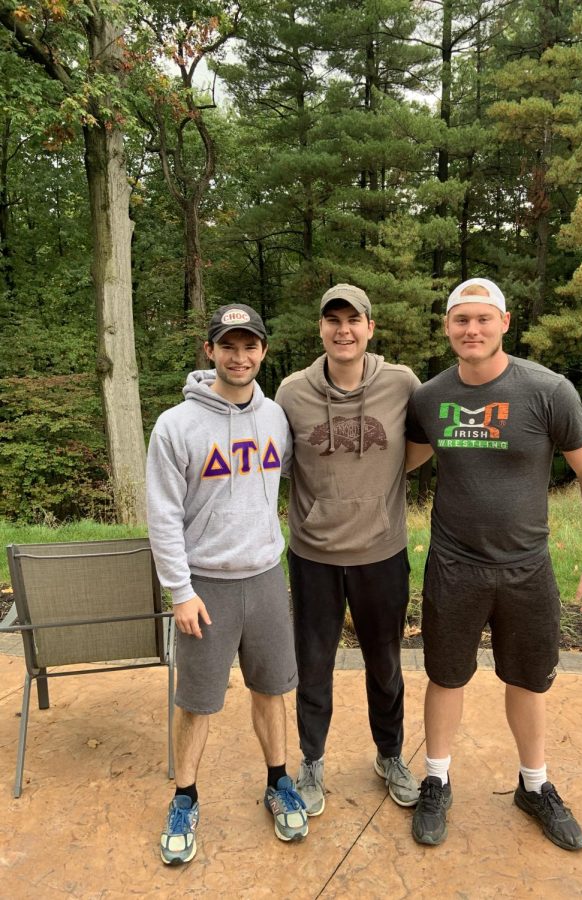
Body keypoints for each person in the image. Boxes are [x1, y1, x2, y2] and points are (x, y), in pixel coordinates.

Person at [406, 277, 582, 851]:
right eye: (460, 320)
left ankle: (534, 785)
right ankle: (436, 779)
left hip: (527, 567)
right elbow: (399, 460)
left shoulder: (547, 390)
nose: (471, 330)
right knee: (446, 675)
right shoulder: (429, 397)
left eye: (482, 319)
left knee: (527, 678)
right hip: (454, 565)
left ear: (504, 322)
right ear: (447, 327)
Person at [147, 304, 308, 865]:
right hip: (206, 586)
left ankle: (278, 781)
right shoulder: (176, 425)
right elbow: (163, 515)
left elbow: (291, 479)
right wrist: (179, 590)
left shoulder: (275, 418)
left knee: (271, 689)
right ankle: (185, 797)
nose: (240, 357)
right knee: (197, 702)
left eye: (250, 345)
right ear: (210, 351)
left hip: (265, 576)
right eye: (228, 346)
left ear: (262, 351)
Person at [274, 283, 421, 816]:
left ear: (369, 328)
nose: (344, 330)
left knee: (385, 664)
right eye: (333, 320)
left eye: (353, 320)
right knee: (313, 665)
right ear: (321, 329)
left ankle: (390, 755)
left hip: (381, 552)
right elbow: (276, 458)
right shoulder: (292, 392)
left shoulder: (402, 384)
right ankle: (312, 761)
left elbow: (420, 444)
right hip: (313, 555)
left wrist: (376, 491)